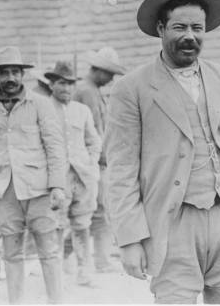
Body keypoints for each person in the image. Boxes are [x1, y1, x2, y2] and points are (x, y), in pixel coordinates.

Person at [104, 0, 220, 303]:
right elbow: (121, 170)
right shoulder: (131, 89)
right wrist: (129, 240)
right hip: (171, 223)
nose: (189, 37)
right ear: (161, 29)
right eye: (180, 27)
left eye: (197, 28)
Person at [0, 46, 67, 304]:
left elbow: (55, 146)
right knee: (12, 253)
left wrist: (57, 185)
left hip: (39, 190)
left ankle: (56, 301)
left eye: (15, 72)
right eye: (4, 73)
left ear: (22, 75)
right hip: (4, 192)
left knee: (48, 251)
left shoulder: (41, 104)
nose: (10, 78)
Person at [45, 60, 102, 285]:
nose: (67, 88)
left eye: (70, 84)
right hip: (56, 179)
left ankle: (83, 271)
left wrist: (91, 164)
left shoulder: (82, 110)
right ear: (51, 84)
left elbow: (94, 141)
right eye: (61, 83)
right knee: (56, 225)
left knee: (82, 224)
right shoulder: (43, 109)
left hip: (82, 177)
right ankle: (55, 273)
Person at [72, 46, 125, 273]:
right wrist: (106, 159)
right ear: (98, 70)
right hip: (91, 162)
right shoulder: (87, 92)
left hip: (95, 161)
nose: (111, 79)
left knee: (92, 211)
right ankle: (102, 261)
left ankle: (82, 258)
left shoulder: (92, 91)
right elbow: (94, 133)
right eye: (109, 74)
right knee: (99, 210)